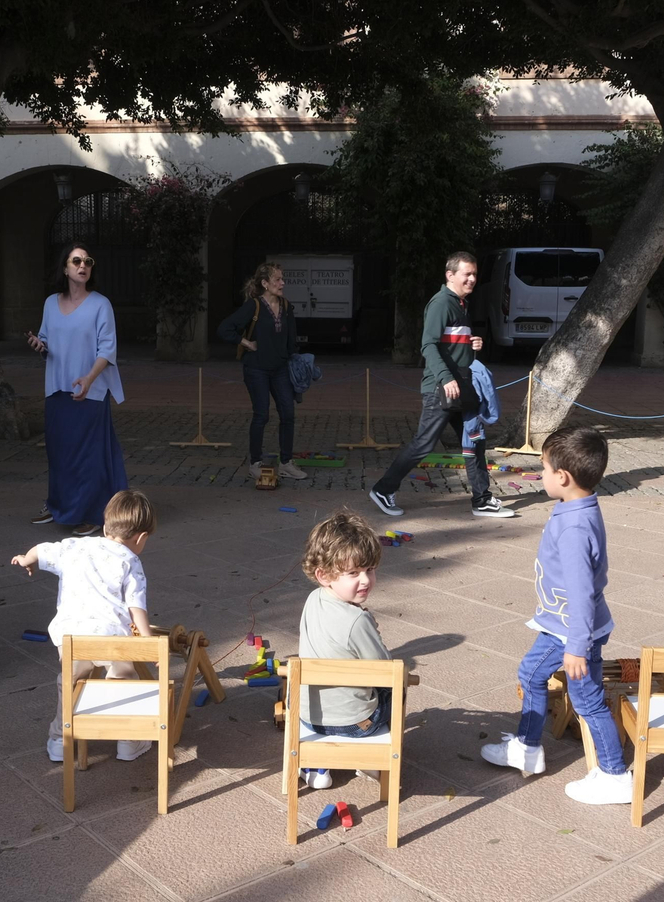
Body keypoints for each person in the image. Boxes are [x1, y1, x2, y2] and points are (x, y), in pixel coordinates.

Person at [480, 425, 632, 805]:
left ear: (562, 477)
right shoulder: (574, 507)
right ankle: (527, 748)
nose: (541, 475)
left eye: (544, 469)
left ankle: (615, 775)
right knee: (531, 674)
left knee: (588, 702)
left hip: (572, 631)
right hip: (567, 625)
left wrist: (577, 647)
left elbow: (581, 593)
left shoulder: (575, 526)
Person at [11, 489, 157, 764]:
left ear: (105, 526)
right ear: (141, 537)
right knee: (123, 678)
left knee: (71, 681)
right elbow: (137, 609)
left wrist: (26, 560)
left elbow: (41, 550)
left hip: (70, 636)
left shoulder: (74, 546)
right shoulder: (131, 561)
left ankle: (59, 740)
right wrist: (149, 644)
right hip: (110, 636)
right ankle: (127, 740)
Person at [369, 251, 515, 520]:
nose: (472, 279)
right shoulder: (441, 303)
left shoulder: (461, 304)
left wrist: (474, 346)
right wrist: (446, 378)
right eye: (466, 274)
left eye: (474, 274)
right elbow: (428, 345)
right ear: (450, 275)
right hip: (442, 388)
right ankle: (383, 490)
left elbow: (452, 345)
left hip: (462, 386)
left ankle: (482, 500)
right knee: (424, 444)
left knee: (475, 441)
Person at [26, 243, 127, 537]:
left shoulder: (100, 304)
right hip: (57, 388)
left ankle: (93, 513)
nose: (83, 265)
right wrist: (40, 345)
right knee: (59, 452)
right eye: (76, 261)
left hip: (90, 390)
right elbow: (46, 339)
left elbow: (107, 349)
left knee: (88, 455)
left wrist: (89, 378)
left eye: (87, 261)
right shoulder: (49, 303)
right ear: (65, 268)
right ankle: (57, 504)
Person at [296, 511, 394, 789]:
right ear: (323, 574)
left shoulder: (313, 598)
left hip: (309, 716)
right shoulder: (358, 620)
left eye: (370, 570)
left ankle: (314, 763)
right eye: (353, 573)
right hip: (355, 724)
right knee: (395, 688)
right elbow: (385, 672)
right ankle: (372, 760)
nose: (365, 580)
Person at [218, 262, 308, 481]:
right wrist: (246, 343)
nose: (282, 283)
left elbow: (291, 340)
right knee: (262, 414)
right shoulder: (254, 306)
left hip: (280, 370)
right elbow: (224, 329)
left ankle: (286, 462)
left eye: (282, 278)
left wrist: (297, 364)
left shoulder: (286, 307)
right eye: (277, 279)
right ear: (265, 283)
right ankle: (255, 462)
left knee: (288, 413)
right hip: (256, 369)